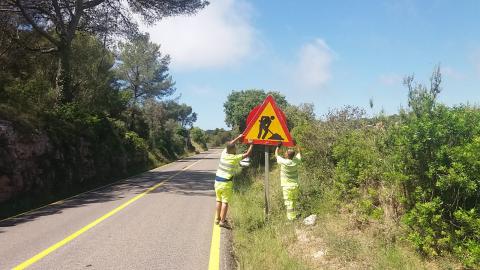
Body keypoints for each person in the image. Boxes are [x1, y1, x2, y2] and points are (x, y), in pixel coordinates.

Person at [215, 134, 254, 228]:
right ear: (233, 150)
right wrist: (251, 144)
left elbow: (230, 144)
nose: (236, 149)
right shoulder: (234, 158)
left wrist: (238, 138)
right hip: (226, 183)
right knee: (225, 202)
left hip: (217, 181)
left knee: (218, 200)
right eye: (235, 148)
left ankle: (217, 219)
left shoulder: (224, 153)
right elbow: (247, 154)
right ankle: (223, 221)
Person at [275, 142, 302, 220]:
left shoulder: (283, 161)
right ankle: (293, 216)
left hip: (287, 187)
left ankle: (291, 218)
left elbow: (276, 155)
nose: (285, 153)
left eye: (286, 153)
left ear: (287, 155)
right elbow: (300, 152)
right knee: (293, 201)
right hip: (295, 185)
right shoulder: (295, 161)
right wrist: (296, 144)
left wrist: (278, 146)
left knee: (289, 202)